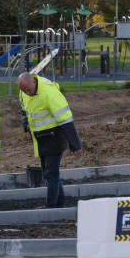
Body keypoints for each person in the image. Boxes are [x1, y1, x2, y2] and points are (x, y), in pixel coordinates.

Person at [17, 72, 83, 208]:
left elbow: (66, 119)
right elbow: (25, 109)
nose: (27, 93)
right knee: (51, 174)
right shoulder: (24, 92)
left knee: (50, 175)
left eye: (28, 89)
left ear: (34, 82)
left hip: (54, 138)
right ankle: (59, 205)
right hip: (41, 139)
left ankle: (51, 207)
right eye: (24, 90)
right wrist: (25, 124)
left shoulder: (49, 93)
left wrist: (75, 144)